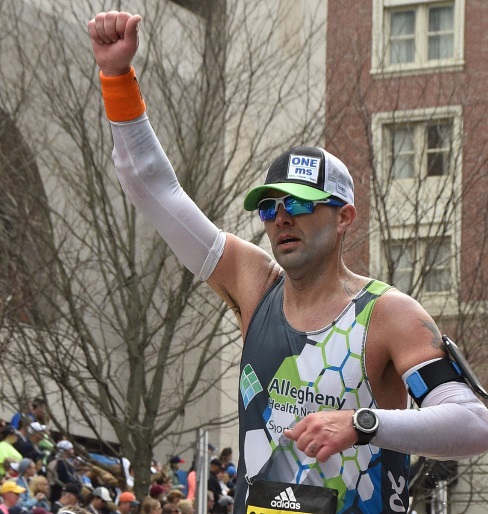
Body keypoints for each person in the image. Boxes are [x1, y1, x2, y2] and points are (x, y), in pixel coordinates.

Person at [88, 11, 488, 514]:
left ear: (344, 217)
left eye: (299, 204)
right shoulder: (252, 285)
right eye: (270, 207)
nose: (281, 219)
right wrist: (117, 76)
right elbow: (153, 190)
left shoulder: (387, 314)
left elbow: (474, 423)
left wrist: (362, 424)